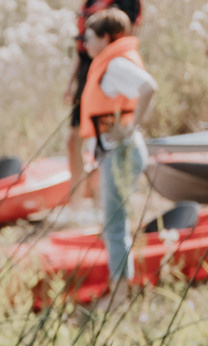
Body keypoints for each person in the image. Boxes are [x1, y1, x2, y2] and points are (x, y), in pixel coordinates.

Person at [80, 8, 158, 309]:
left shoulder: (115, 66)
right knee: (116, 222)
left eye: (89, 38)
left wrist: (130, 129)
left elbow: (149, 87)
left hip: (122, 151)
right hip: (115, 150)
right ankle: (121, 289)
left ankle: (120, 296)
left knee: (115, 225)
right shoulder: (111, 62)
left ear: (106, 38)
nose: (85, 44)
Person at [65, 0, 141, 203]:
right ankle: (78, 201)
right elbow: (84, 46)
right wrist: (71, 83)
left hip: (107, 74)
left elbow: (125, 32)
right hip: (87, 72)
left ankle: (99, 200)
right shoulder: (90, 3)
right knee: (76, 140)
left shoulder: (127, 3)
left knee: (102, 144)